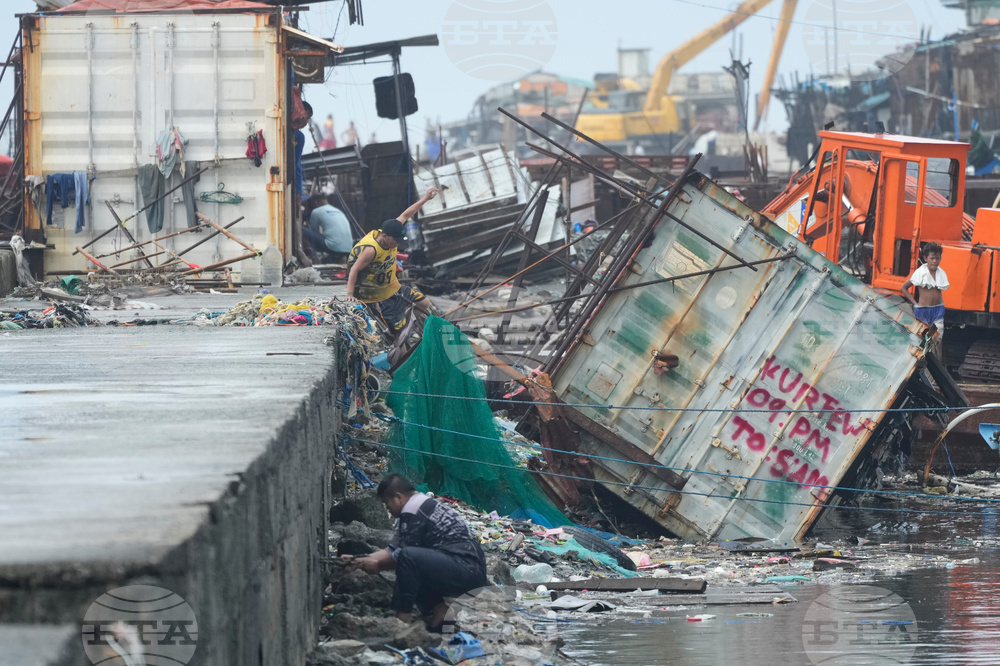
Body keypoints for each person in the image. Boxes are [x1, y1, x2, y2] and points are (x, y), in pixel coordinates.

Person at [351, 474, 488, 629]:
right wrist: (357, 561)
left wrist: (378, 566)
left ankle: (402, 617)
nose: (387, 509)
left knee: (409, 559)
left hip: (466, 570)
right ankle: (439, 610)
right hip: (468, 570)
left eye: (387, 503)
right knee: (412, 558)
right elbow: (392, 550)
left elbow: (402, 556)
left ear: (398, 497)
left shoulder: (413, 510)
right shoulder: (419, 506)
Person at [345, 188, 438, 334]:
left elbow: (406, 214)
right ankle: (398, 334)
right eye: (395, 241)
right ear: (385, 236)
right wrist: (350, 294)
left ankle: (408, 323)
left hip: (394, 287)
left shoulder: (393, 229)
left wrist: (425, 198)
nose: (397, 244)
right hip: (377, 294)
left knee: (424, 303)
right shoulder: (371, 250)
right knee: (396, 333)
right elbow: (354, 269)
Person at [901, 241, 948, 348]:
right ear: (926, 258)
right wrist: (914, 303)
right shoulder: (920, 273)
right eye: (932, 258)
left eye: (937, 258)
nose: (935, 261)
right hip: (922, 310)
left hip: (938, 310)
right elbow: (904, 288)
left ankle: (937, 364)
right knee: (920, 340)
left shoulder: (941, 273)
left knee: (938, 341)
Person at [303, 192, 352, 262]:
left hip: (333, 247)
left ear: (315, 203)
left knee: (302, 231)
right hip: (348, 249)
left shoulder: (316, 211)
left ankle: (314, 259)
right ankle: (342, 257)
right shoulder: (338, 210)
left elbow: (313, 231)